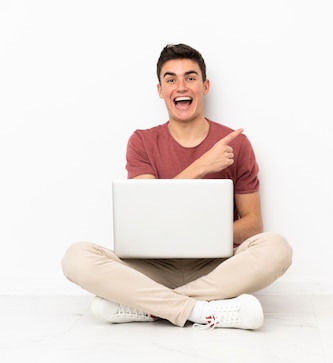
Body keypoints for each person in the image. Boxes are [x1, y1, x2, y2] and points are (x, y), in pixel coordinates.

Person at [61, 43, 293, 330]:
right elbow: (147, 213)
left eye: (190, 78)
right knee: (76, 258)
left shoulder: (236, 144)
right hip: (153, 267)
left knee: (277, 248)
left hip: (215, 266)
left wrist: (199, 234)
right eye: (171, 79)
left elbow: (253, 225)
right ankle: (201, 310)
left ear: (205, 86)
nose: (181, 86)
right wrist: (203, 166)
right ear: (160, 90)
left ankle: (148, 306)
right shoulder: (142, 142)